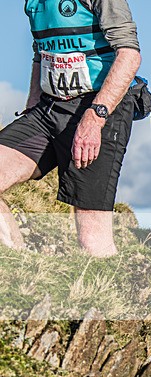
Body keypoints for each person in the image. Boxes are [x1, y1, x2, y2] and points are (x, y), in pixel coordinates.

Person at [0, 0, 142, 257]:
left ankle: (106, 291)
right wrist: (33, 103)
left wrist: (95, 117)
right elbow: (40, 53)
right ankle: (19, 266)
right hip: (49, 107)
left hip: (100, 106)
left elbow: (129, 55)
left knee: (91, 237)